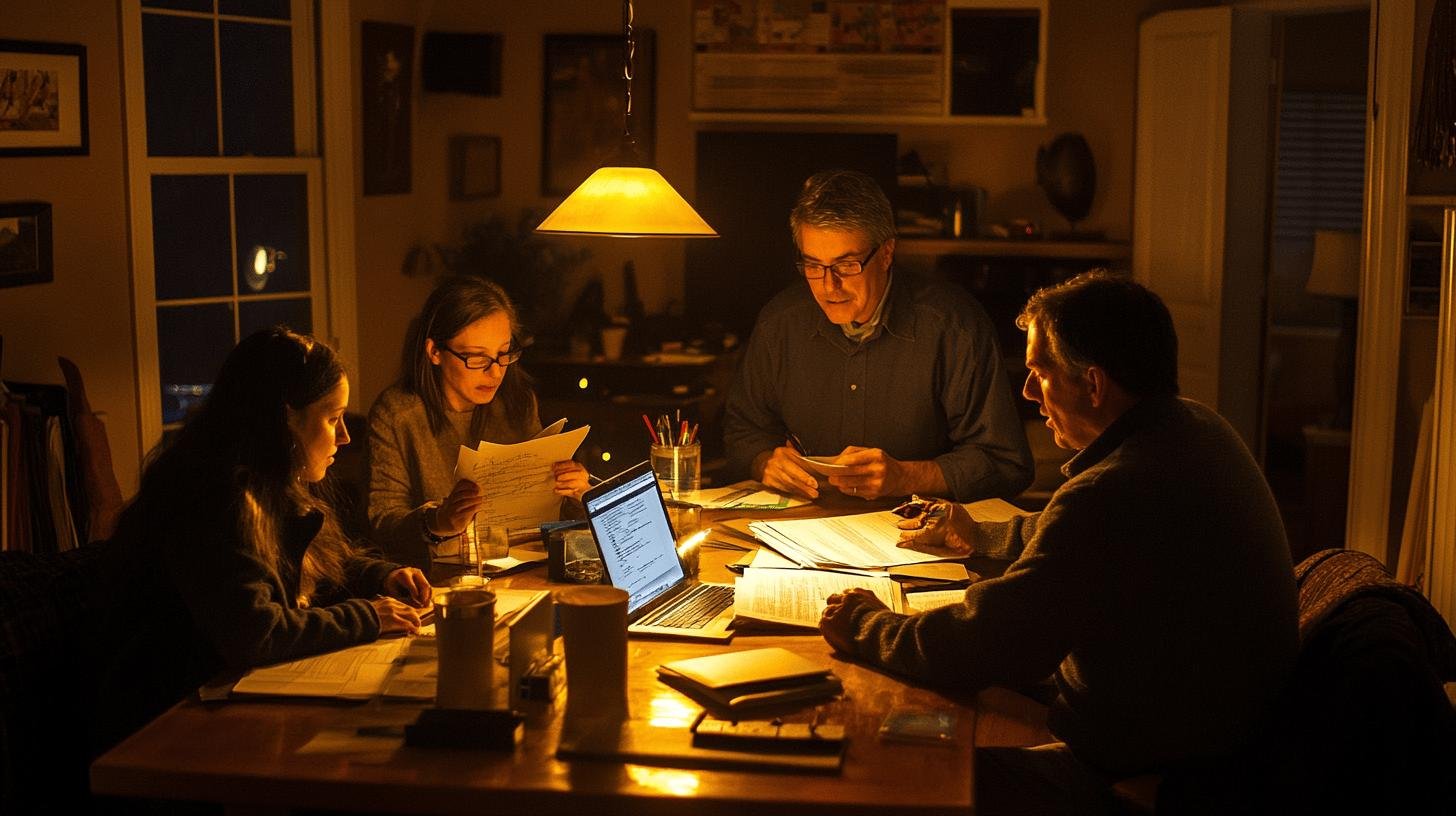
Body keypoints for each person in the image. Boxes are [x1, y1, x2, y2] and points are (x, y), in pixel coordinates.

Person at [819, 271, 1299, 814]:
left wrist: (864, 623)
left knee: (893, 766)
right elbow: (1076, 538)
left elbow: (991, 642)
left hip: (1157, 778)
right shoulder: (1193, 430)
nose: (1027, 393)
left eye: (1039, 373)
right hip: (1217, 742)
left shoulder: (1113, 490)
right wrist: (977, 533)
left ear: (1092, 385)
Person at [96, 327, 431, 754]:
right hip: (167, 723)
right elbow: (254, 632)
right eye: (332, 418)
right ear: (284, 418)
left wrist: (382, 578)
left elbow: (314, 567)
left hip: (227, 702)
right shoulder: (215, 499)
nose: (345, 437)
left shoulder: (274, 481)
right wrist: (368, 617)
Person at [723, 169, 1032, 503]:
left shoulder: (953, 326)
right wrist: (765, 461)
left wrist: (906, 477)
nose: (829, 286)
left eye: (847, 265)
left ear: (886, 254)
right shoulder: (780, 323)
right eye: (813, 265)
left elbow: (1006, 462)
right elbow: (742, 430)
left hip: (920, 532)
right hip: (803, 531)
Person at [369, 275, 589, 569]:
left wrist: (577, 491)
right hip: (437, 581)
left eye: (503, 354)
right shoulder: (398, 414)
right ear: (435, 352)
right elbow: (382, 524)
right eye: (476, 358)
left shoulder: (516, 403)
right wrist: (439, 521)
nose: (495, 373)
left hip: (524, 567)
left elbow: (550, 514)